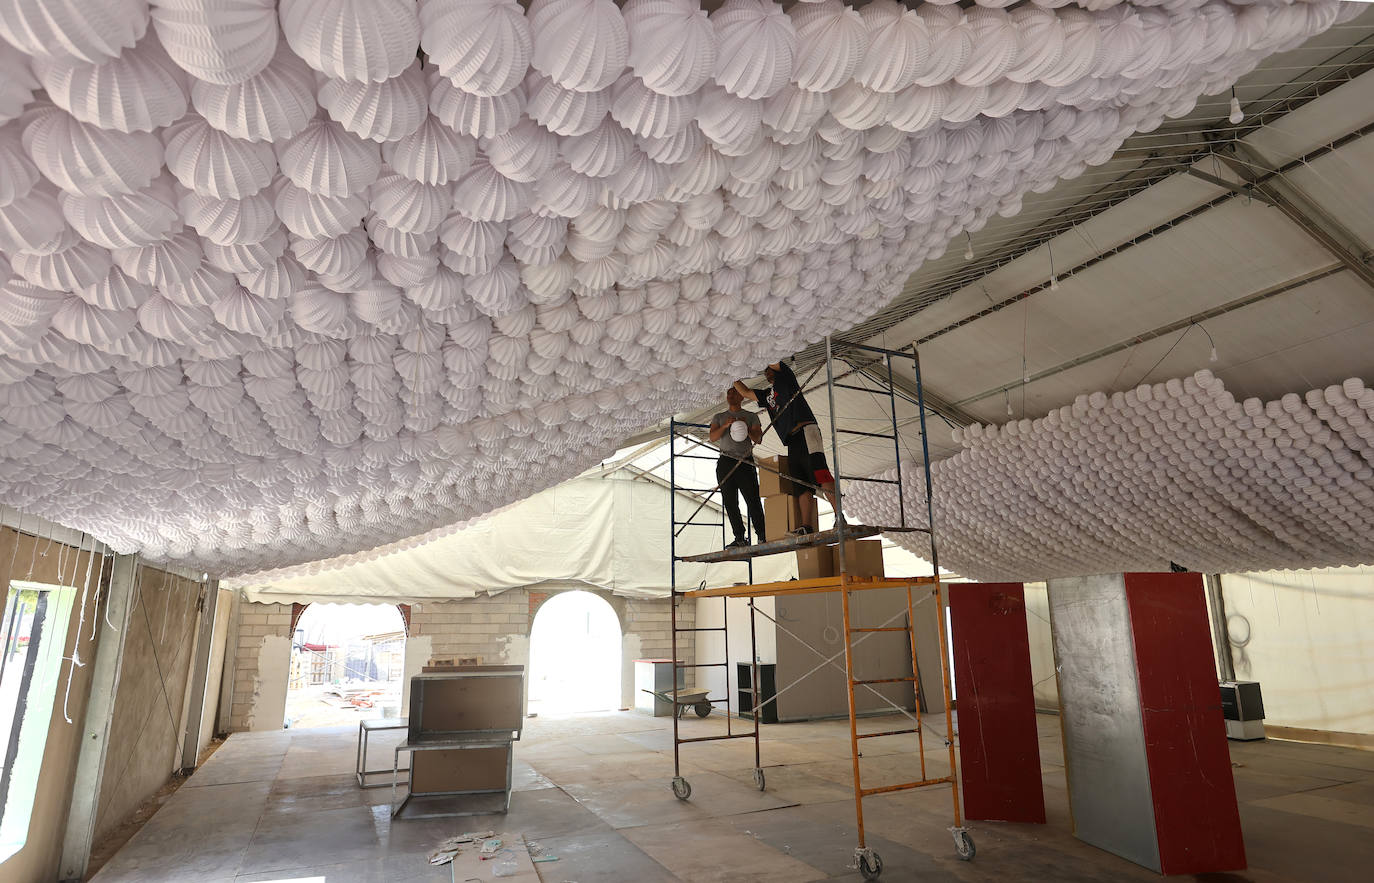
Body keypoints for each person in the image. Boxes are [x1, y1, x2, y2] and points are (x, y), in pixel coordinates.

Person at [734, 361, 837, 536]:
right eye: (765, 372)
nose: (767, 373)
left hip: (806, 430)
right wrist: (730, 374)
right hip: (791, 440)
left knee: (820, 473)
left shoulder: (786, 378)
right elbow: (744, 392)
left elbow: (774, 360)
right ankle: (806, 526)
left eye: (769, 370)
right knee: (800, 484)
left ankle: (839, 515)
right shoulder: (766, 395)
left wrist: (762, 353)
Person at [708, 387, 765, 548]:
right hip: (726, 460)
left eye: (734, 393)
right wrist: (725, 425)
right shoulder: (719, 417)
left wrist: (746, 429)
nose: (730, 395)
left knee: (752, 499)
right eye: (729, 393)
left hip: (745, 461)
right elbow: (712, 437)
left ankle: (762, 535)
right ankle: (740, 537)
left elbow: (758, 439)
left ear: (742, 396)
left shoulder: (750, 416)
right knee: (730, 501)